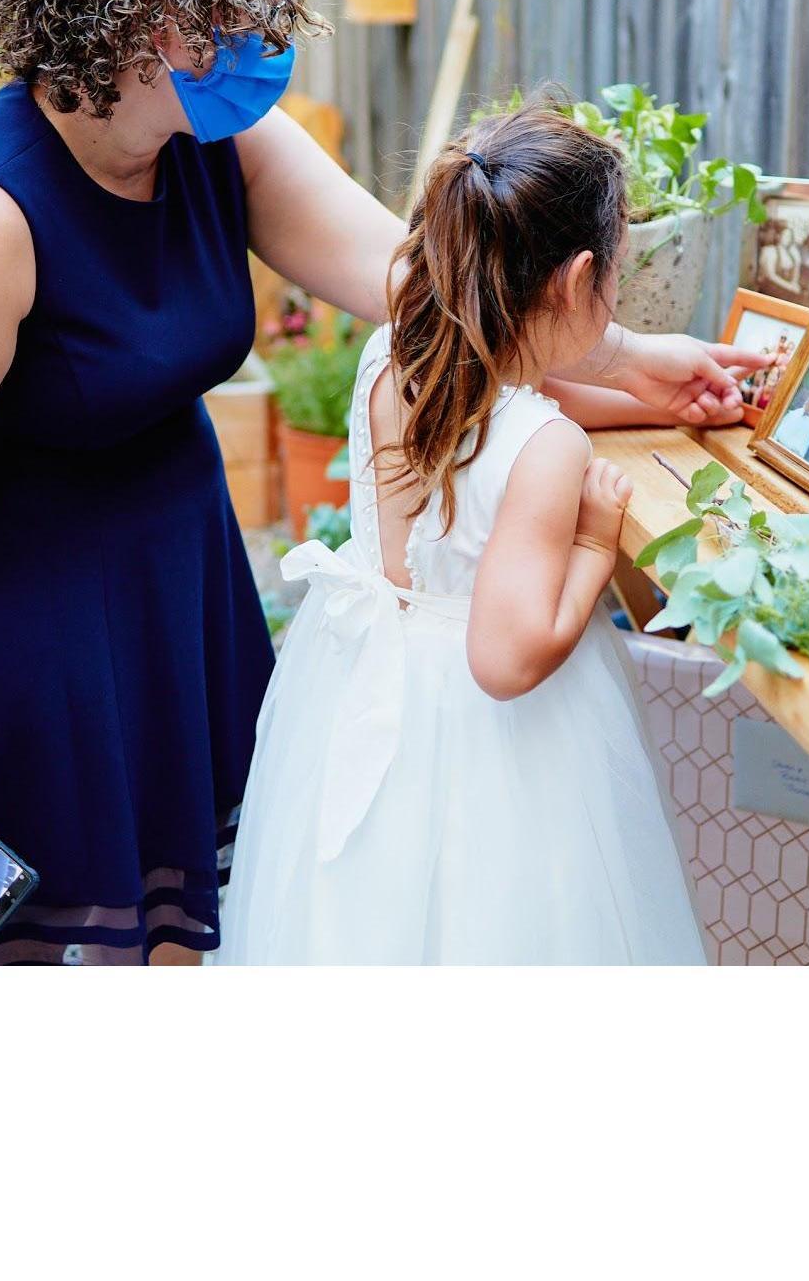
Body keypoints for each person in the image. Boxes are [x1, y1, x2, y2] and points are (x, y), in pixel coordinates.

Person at [0, 0, 763, 968]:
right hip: (18, 623)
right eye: (226, 16)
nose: (258, 45)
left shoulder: (218, 138)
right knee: (37, 952)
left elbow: (428, 287)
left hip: (172, 584)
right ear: (129, 20)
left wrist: (628, 355)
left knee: (170, 935)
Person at [215, 106, 705, 964]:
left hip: (359, 683)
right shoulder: (546, 451)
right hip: (487, 740)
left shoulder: (395, 352)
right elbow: (506, 660)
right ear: (576, 276)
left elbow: (510, 390)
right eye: (617, 272)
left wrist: (645, 397)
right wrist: (595, 545)